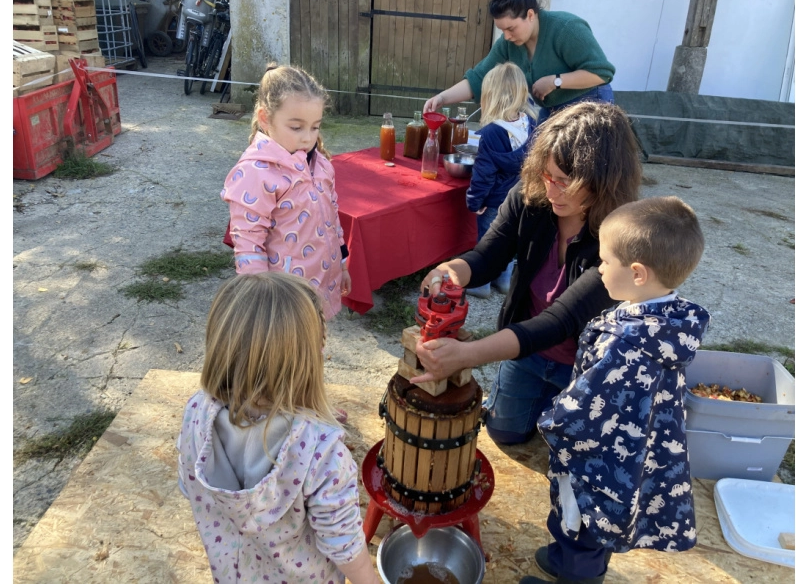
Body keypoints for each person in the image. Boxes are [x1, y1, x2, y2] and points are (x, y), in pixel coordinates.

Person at [413, 102, 641, 446]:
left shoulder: (622, 236)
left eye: (565, 182)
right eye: (547, 175)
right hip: (525, 352)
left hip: (584, 365)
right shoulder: (530, 198)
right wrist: (450, 270)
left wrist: (467, 355)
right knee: (505, 433)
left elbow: (561, 320)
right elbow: (488, 257)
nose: (551, 191)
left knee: (567, 448)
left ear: (604, 182)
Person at [521, 196, 711, 584]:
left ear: (637, 273)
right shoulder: (665, 320)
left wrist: (551, 419)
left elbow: (585, 410)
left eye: (605, 261)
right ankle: (560, 560)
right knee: (580, 524)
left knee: (583, 531)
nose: (600, 268)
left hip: (603, 465)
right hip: (635, 454)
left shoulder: (625, 345)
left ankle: (577, 576)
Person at [176, 273, 381, 584]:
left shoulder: (196, 411)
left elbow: (188, 485)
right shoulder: (322, 450)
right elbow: (344, 546)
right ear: (308, 361)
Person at [222, 63, 351, 322]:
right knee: (290, 346)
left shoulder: (321, 164)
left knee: (314, 338)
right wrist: (260, 298)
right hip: (282, 297)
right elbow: (248, 243)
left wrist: (342, 264)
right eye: (296, 127)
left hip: (321, 283)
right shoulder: (255, 173)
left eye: (315, 127)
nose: (308, 138)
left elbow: (332, 216)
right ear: (265, 118)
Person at [424, 0, 615, 123]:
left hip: (590, 107)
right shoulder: (508, 43)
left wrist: (555, 81)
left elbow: (601, 73)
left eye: (511, 28)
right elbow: (479, 78)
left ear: (530, 15)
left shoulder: (567, 28)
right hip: (551, 111)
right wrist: (442, 98)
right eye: (502, 30)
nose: (507, 36)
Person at [465, 62, 537, 299]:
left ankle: (481, 284)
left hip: (494, 201)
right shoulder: (532, 125)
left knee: (487, 242)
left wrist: (475, 202)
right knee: (510, 240)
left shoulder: (488, 134)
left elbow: (483, 176)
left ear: (489, 96)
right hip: (522, 198)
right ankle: (504, 280)